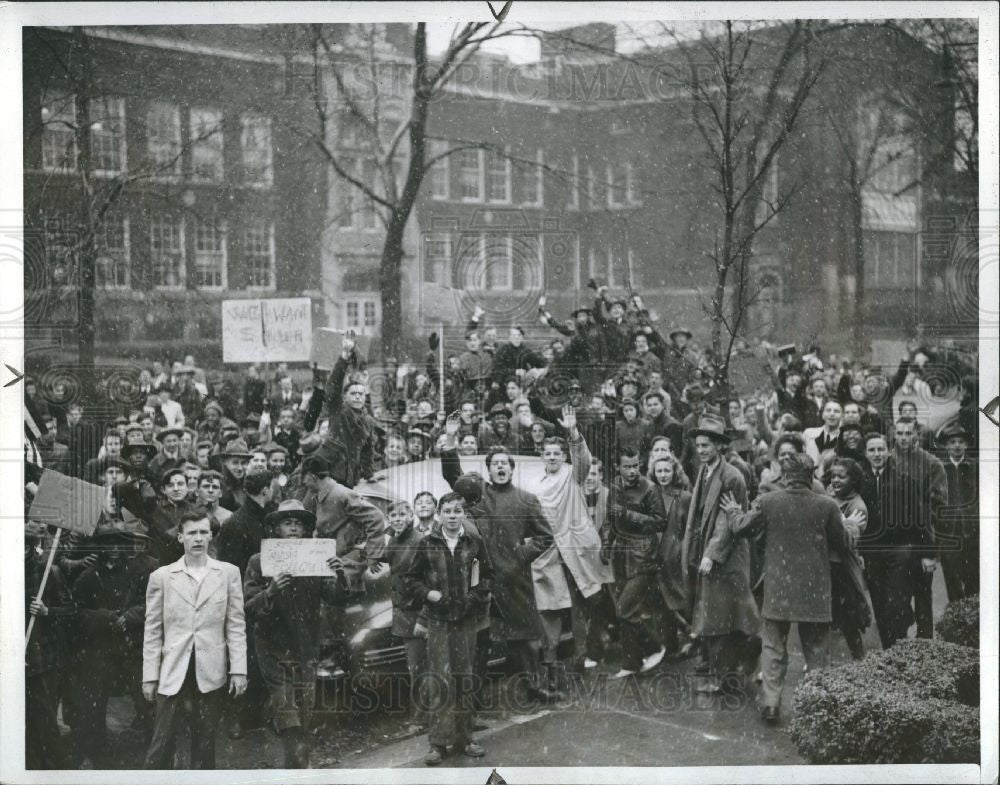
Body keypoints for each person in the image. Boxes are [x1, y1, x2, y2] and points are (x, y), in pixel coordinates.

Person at [722, 453, 851, 723]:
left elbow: (741, 526)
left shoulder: (770, 502)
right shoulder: (827, 506)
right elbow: (842, 543)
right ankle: (818, 705)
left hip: (779, 587)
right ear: (811, 475)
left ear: (785, 475)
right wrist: (853, 528)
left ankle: (771, 704)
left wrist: (733, 510)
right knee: (816, 650)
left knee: (773, 647)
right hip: (815, 589)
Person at [441, 416, 556, 703]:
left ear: (512, 469)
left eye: (505, 463)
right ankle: (473, 699)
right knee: (480, 642)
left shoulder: (527, 500)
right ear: (489, 470)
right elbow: (453, 475)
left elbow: (545, 537)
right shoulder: (479, 495)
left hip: (515, 580)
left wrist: (519, 556)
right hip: (482, 582)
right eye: (496, 464)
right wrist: (451, 438)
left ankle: (535, 686)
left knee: (525, 639)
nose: (501, 467)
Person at [243, 499, 350, 768]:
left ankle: (296, 756)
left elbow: (335, 597)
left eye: (298, 524)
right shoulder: (260, 561)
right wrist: (271, 591)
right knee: (287, 706)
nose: (293, 528)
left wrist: (339, 574)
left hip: (306, 645)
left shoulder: (315, 559)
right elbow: (249, 607)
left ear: (305, 530)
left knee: (304, 707)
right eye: (287, 523)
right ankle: (298, 765)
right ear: (276, 529)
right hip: (272, 645)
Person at [142, 511, 248, 769]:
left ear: (211, 536)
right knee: (161, 744)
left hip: (210, 669)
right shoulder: (162, 577)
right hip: (173, 669)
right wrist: (149, 676)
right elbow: (153, 630)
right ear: (181, 537)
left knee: (205, 743)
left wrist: (239, 670)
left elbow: (235, 625)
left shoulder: (228, 573)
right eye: (191, 533)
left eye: (203, 532)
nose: (198, 538)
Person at [405, 492, 494, 766]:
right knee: (440, 680)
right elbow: (412, 580)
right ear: (439, 514)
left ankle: (466, 738)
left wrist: (474, 598)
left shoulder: (474, 542)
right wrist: (429, 595)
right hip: (439, 622)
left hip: (466, 621)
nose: (453, 516)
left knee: (464, 678)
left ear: (463, 514)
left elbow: (488, 577)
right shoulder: (427, 543)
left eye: (458, 511)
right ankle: (438, 743)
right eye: (448, 511)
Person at [527, 406, 615, 677]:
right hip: (553, 552)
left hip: (578, 548)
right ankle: (568, 657)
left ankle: (591, 650)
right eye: (548, 453)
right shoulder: (537, 485)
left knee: (591, 600)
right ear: (542, 457)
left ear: (563, 456)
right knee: (563, 606)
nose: (552, 457)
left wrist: (573, 432)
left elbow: (584, 459)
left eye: (557, 453)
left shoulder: (571, 475)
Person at [681, 415, 760, 694]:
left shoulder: (732, 476)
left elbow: (728, 521)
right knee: (724, 616)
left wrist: (712, 553)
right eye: (698, 445)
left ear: (719, 446)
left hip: (728, 558)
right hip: (711, 553)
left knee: (726, 617)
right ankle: (733, 669)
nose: (701, 450)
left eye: (706, 445)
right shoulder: (705, 471)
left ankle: (727, 676)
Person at [72, 516, 158, 766]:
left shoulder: (139, 572)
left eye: (118, 542)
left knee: (146, 700)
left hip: (133, 646)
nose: (113, 547)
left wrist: (130, 617)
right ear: (99, 545)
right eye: (107, 542)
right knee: (94, 704)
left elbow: (152, 602)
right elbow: (76, 612)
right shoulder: (88, 576)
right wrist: (107, 617)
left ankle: (155, 751)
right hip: (100, 651)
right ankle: (95, 753)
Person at [603, 446, 671, 678]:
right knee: (624, 610)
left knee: (624, 609)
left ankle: (653, 647)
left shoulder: (649, 488)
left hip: (643, 556)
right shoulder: (615, 485)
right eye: (627, 467)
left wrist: (628, 515)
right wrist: (606, 543)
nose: (632, 471)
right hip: (621, 555)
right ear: (617, 467)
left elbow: (660, 522)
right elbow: (611, 517)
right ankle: (631, 662)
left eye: (635, 466)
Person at [25, 520, 75, 770]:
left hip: (43, 658)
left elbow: (70, 610)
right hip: (16, 657)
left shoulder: (48, 571)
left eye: (26, 545)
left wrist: (47, 611)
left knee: (44, 721)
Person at [375, 501, 428, 730]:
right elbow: (385, 556)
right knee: (415, 667)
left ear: (411, 516)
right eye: (393, 515)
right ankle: (423, 716)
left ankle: (420, 719)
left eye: (402, 515)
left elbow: (429, 582)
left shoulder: (419, 542)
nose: (397, 519)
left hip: (417, 614)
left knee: (420, 668)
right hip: (404, 613)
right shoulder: (395, 541)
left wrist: (424, 618)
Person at [300, 455, 387, 590]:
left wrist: (373, 555)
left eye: (303, 477)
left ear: (312, 476)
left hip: (347, 561)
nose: (303, 482)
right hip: (332, 558)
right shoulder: (320, 494)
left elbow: (376, 517)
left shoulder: (341, 494)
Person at [826, 457, 874, 659]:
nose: (835, 480)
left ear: (853, 480)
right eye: (833, 476)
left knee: (848, 621)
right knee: (827, 617)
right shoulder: (830, 497)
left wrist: (837, 517)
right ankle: (822, 658)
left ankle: (860, 660)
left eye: (841, 476)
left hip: (841, 569)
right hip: (827, 565)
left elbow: (846, 541)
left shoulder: (857, 506)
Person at [320, 333, 378, 488]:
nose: (358, 397)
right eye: (353, 394)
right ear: (345, 397)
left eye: (361, 394)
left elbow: (368, 449)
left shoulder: (368, 419)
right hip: (330, 474)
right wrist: (344, 357)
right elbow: (333, 385)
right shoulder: (339, 410)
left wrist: (369, 473)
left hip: (352, 477)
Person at [651, 453, 693, 657]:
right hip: (655, 555)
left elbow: (690, 529)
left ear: (674, 472)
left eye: (667, 470)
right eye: (659, 471)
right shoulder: (650, 493)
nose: (663, 475)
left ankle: (693, 636)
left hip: (675, 555)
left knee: (679, 598)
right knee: (660, 600)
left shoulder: (684, 497)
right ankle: (671, 644)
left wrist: (682, 550)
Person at [937, 423, 978, 600]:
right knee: (951, 576)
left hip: (972, 531)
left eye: (961, 441)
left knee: (973, 576)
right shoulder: (939, 469)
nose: (956, 445)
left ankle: (972, 616)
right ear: (946, 446)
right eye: (952, 442)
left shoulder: (974, 467)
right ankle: (956, 616)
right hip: (948, 532)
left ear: (966, 445)